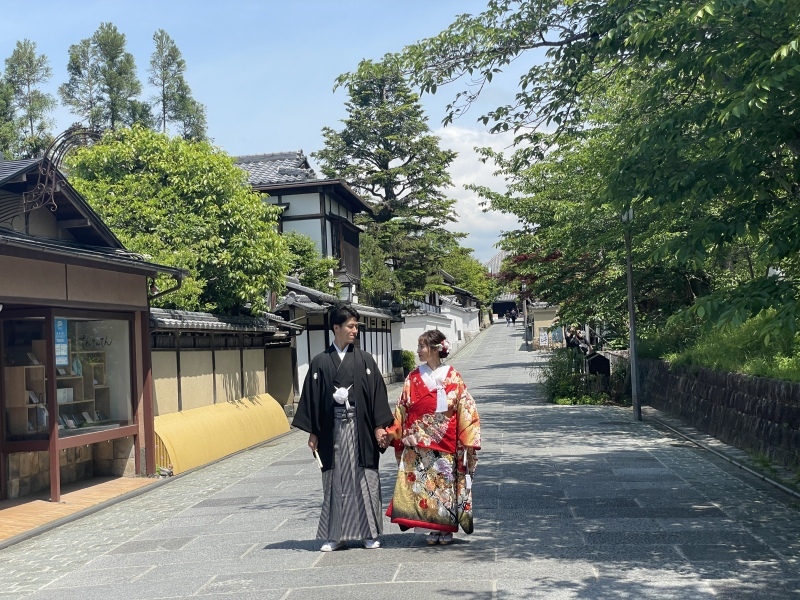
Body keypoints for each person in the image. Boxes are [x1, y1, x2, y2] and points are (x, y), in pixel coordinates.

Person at [293, 305, 394, 552]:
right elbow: (312, 400)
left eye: (356, 326)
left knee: (364, 478)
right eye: (350, 326)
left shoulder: (365, 360)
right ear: (336, 328)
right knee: (334, 480)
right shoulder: (320, 362)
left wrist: (380, 427)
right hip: (332, 430)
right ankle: (336, 536)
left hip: (361, 429)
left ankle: (369, 533)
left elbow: (376, 396)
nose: (354, 330)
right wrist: (313, 433)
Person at [384, 330, 481, 546]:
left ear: (436, 349)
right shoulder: (413, 377)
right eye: (418, 347)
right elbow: (402, 407)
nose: (418, 351)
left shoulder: (452, 375)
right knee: (423, 485)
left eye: (422, 347)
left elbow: (466, 407)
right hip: (418, 442)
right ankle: (430, 526)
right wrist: (393, 431)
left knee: (443, 485)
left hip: (445, 440)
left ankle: (445, 529)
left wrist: (468, 437)